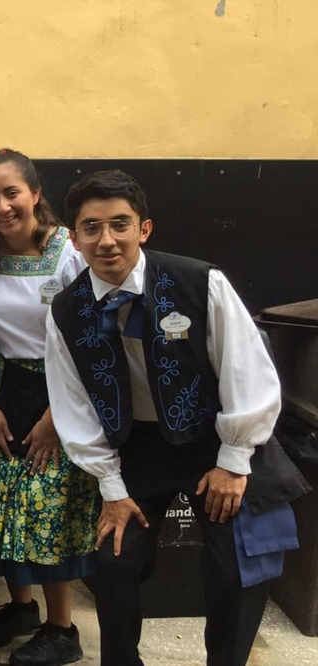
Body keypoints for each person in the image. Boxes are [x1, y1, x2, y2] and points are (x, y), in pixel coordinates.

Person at [45, 170, 302, 666]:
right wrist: (111, 487)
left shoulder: (200, 281)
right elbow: (72, 403)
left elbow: (245, 368)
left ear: (144, 228)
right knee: (113, 563)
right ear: (74, 239)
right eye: (91, 227)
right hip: (135, 448)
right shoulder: (66, 311)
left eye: (120, 224)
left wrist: (234, 460)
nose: (107, 240)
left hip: (215, 439)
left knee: (238, 566)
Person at [0, 149, 99, 666]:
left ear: (35, 194)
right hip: (7, 388)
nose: (2, 207)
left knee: (48, 511)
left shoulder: (68, 251)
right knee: (4, 504)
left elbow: (90, 338)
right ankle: (22, 609)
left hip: (62, 391)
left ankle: (61, 629)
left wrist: (56, 418)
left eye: (11, 194)